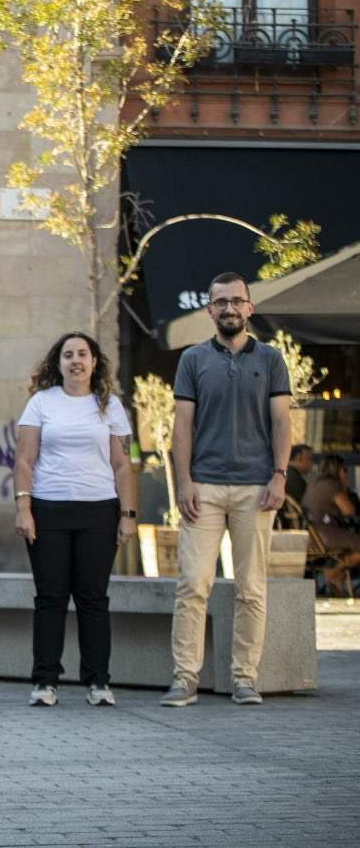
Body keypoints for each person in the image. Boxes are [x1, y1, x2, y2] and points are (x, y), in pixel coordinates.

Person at [163, 271, 292, 708]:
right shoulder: (193, 360)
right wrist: (184, 483)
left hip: (257, 488)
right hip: (205, 488)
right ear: (210, 309)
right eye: (221, 302)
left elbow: (281, 421)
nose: (230, 308)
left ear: (249, 308)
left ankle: (244, 677)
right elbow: (183, 426)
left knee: (251, 589)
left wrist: (279, 475)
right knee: (192, 586)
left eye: (237, 300)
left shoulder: (271, 358)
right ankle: (184, 679)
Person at [11, 332, 137, 709]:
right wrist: (23, 507)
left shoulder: (110, 406)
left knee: (92, 599)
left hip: (99, 511)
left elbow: (122, 465)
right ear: (58, 362)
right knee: (50, 598)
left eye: (83, 354)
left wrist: (128, 515)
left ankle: (98, 682)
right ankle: (45, 681)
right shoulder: (41, 403)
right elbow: (23, 461)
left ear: (95, 361)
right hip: (48, 510)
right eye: (68, 354)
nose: (75, 360)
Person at [301, 456, 359, 594]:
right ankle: (333, 573)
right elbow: (349, 511)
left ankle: (336, 578)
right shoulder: (332, 485)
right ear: (338, 470)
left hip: (312, 535)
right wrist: (345, 487)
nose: (345, 473)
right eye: (344, 469)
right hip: (324, 535)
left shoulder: (314, 483)